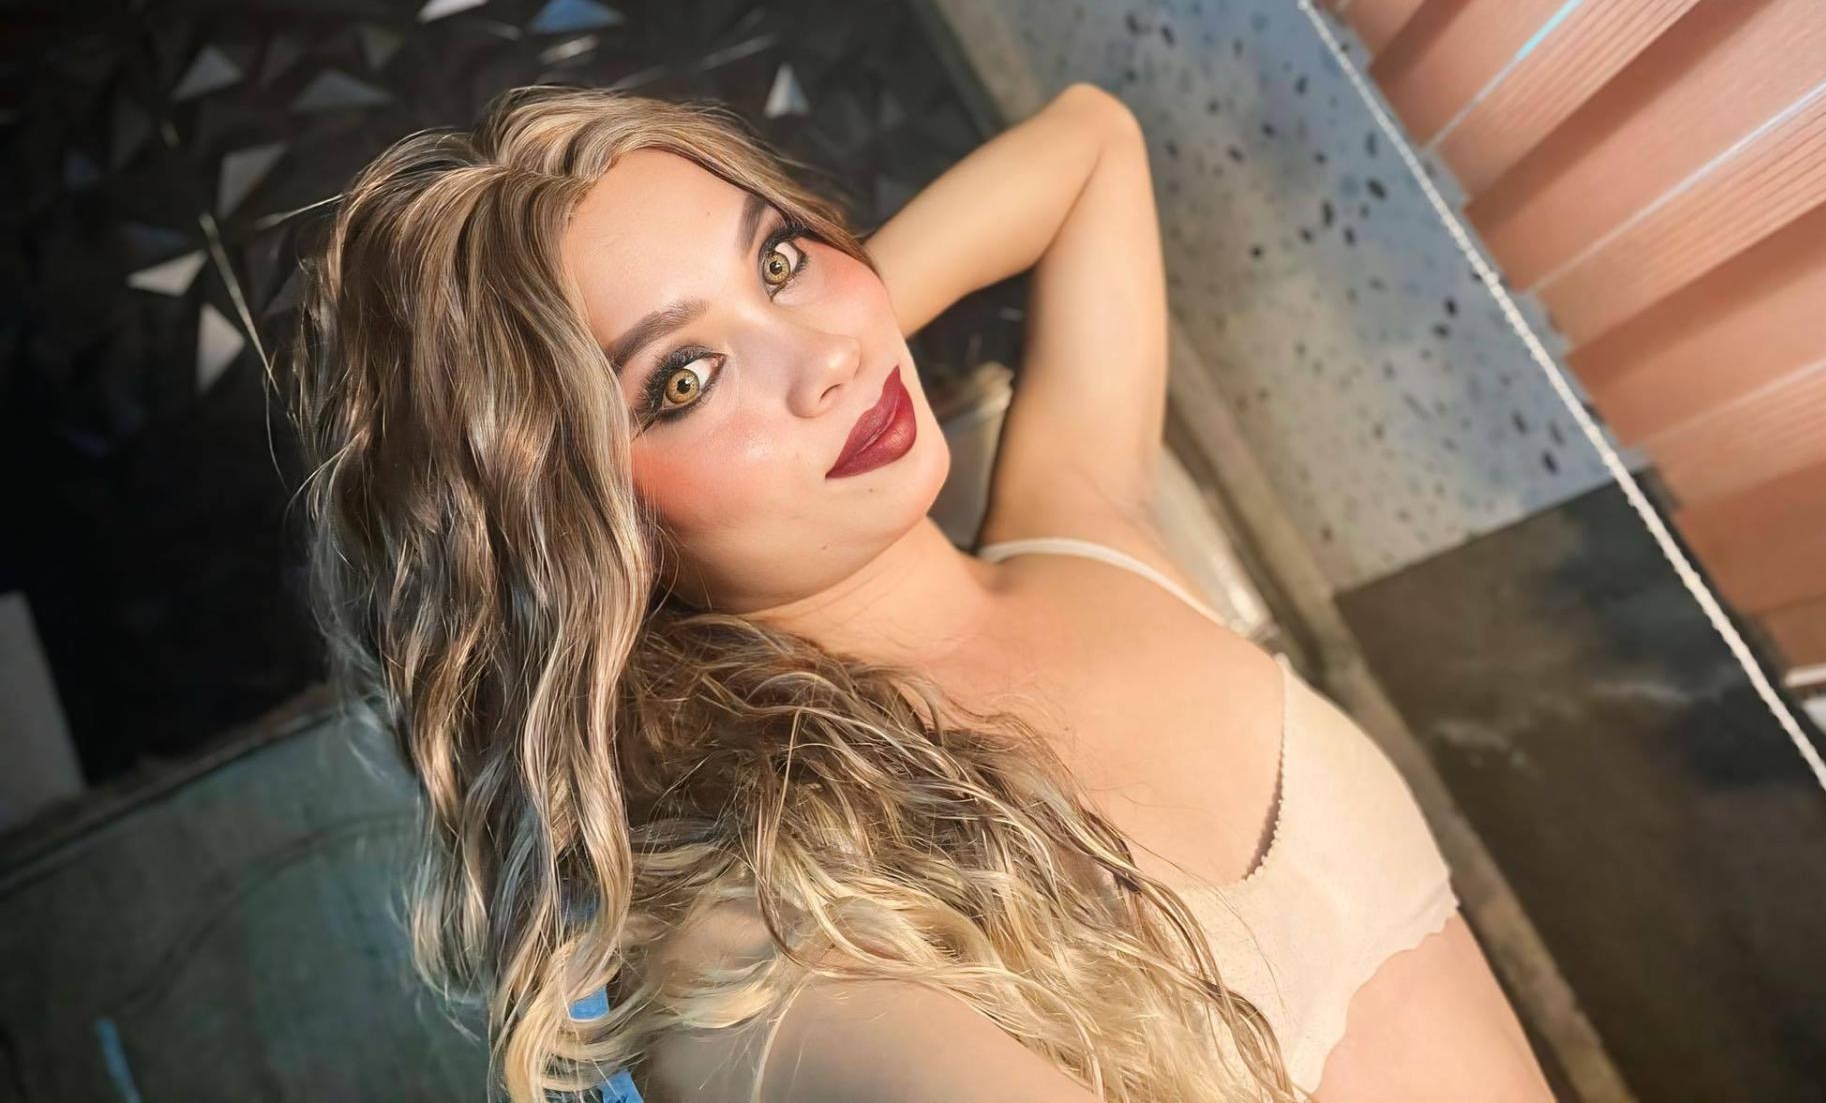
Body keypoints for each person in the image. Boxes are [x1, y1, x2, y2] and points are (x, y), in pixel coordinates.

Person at [290, 82, 1554, 1102]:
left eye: (781, 256)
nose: (826, 356)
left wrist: (827, 332)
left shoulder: (1084, 542)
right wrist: (805, 337)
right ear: (589, 541)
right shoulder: (766, 942)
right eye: (682, 380)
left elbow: (1092, 147)